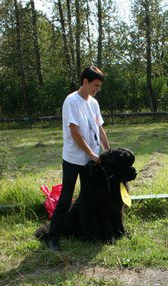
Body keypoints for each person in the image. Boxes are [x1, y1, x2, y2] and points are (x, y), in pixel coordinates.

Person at [46, 66, 110, 251]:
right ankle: (53, 236)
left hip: (92, 159)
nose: (98, 89)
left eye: (99, 86)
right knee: (66, 198)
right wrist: (91, 153)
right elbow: (74, 132)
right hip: (74, 159)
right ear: (85, 82)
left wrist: (107, 149)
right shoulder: (71, 101)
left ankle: (87, 231)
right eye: (95, 85)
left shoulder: (94, 103)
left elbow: (99, 127)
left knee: (89, 196)